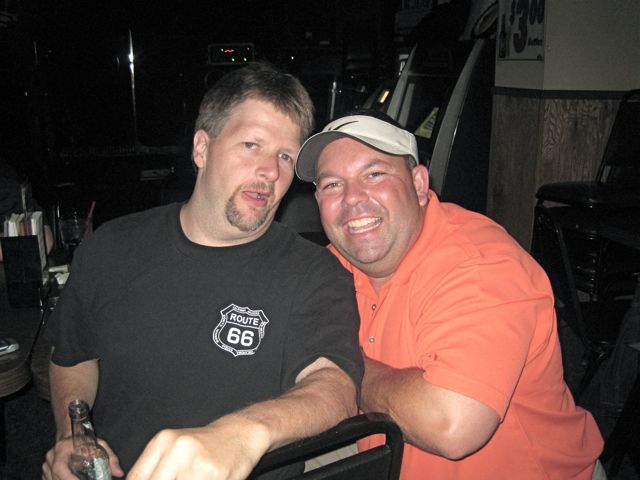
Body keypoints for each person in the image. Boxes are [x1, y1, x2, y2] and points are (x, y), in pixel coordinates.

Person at [42, 62, 363, 480]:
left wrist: (242, 434)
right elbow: (72, 356)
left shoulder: (313, 272)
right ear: (201, 149)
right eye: (251, 145)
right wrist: (72, 436)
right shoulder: (110, 247)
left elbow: (334, 388)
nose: (271, 171)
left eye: (285, 155)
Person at [295, 111, 606, 479]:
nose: (352, 199)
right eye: (332, 185)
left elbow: (452, 426)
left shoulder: (482, 266)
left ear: (418, 184)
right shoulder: (334, 265)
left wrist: (345, 366)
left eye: (374, 174)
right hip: (389, 454)